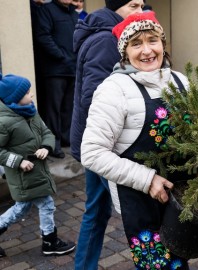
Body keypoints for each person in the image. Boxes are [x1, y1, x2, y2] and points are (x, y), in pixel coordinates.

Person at [81, 11, 192, 269]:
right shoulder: (114, 89)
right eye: (136, 44)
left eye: (152, 40)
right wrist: (147, 179)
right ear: (125, 52)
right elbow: (92, 152)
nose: (146, 50)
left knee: (180, 259)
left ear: (163, 43)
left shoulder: (181, 81)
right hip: (141, 201)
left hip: (182, 196)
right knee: (157, 266)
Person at [71, 1, 144, 269]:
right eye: (133, 4)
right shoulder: (106, 39)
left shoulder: (104, 31)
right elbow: (94, 97)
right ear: (117, 6)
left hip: (95, 141)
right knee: (137, 210)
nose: (140, 8)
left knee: (97, 211)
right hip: (106, 145)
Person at [0, 73, 76, 257]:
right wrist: (19, 161)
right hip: (23, 176)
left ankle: (49, 241)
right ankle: (50, 241)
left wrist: (46, 146)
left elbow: (46, 132)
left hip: (38, 171)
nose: (31, 95)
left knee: (21, 208)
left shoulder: (31, 112)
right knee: (46, 204)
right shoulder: (4, 122)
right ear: (14, 99)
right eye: (27, 93)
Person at [33, 0, 78, 158]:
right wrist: (61, 56)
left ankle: (66, 140)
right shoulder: (46, 10)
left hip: (73, 69)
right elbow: (43, 36)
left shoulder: (74, 12)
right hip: (55, 70)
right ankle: (53, 144)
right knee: (54, 109)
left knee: (68, 108)